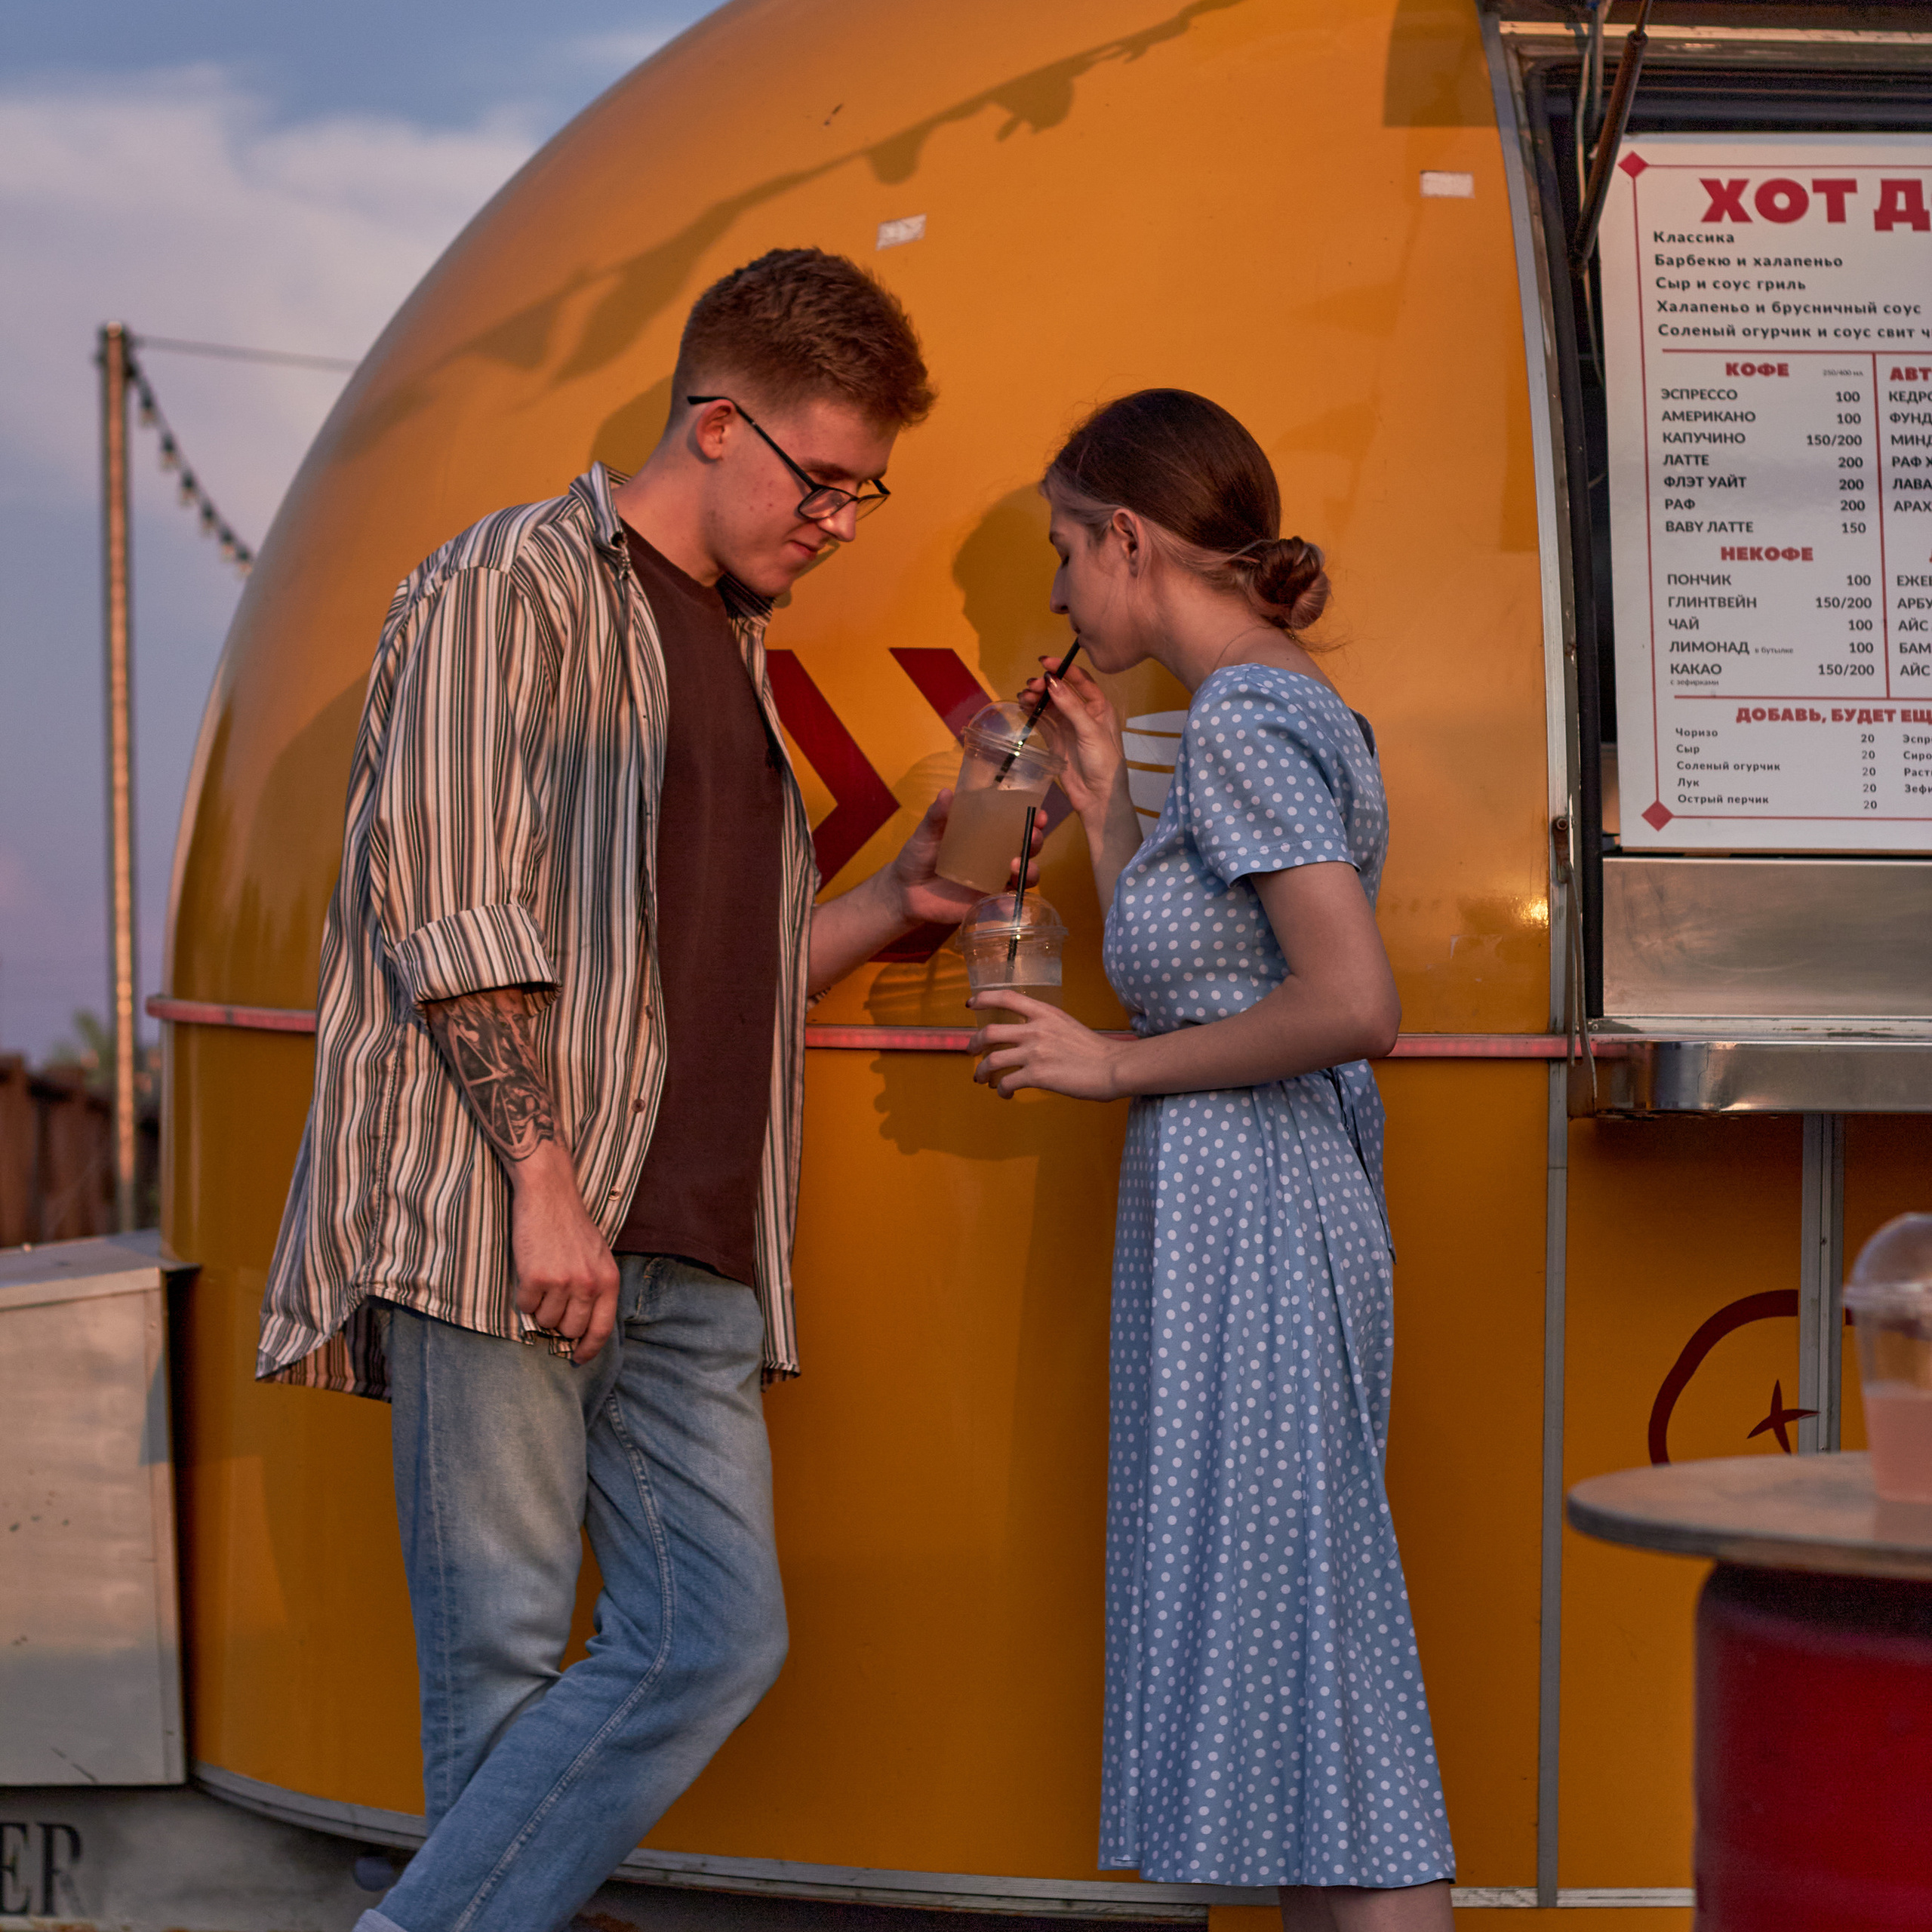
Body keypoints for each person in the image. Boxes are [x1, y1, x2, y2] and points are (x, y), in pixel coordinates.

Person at [257, 248, 1027, 1932]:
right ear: (715, 423)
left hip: (686, 1241)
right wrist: (541, 1173)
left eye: (860, 489)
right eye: (822, 481)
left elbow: (700, 978)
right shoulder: (504, 587)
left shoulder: (727, 648)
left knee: (709, 1631)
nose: (839, 521)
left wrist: (898, 905)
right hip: (506, 1213)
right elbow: (447, 895)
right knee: (506, 1650)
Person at [971, 389, 1456, 1930]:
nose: (1055, 590)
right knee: (1306, 1694)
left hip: (1253, 1218)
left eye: (1062, 547)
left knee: (1330, 1681)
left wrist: (1104, 1065)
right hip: (1254, 1212)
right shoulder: (1274, 709)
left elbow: (1347, 1000)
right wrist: (1110, 811)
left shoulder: (1246, 718)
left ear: (1127, 535)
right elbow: (1227, 971)